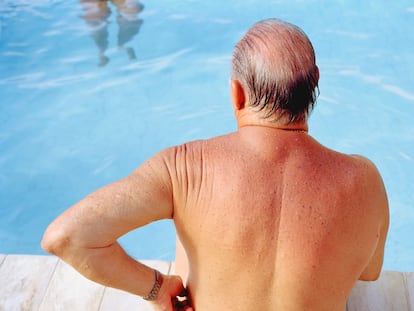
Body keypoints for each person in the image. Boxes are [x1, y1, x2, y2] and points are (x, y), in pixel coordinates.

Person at [41, 18, 389, 311]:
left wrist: (156, 287)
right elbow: (370, 272)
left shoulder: (186, 169)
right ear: (315, 84)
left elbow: (68, 237)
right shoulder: (364, 180)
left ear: (237, 93)